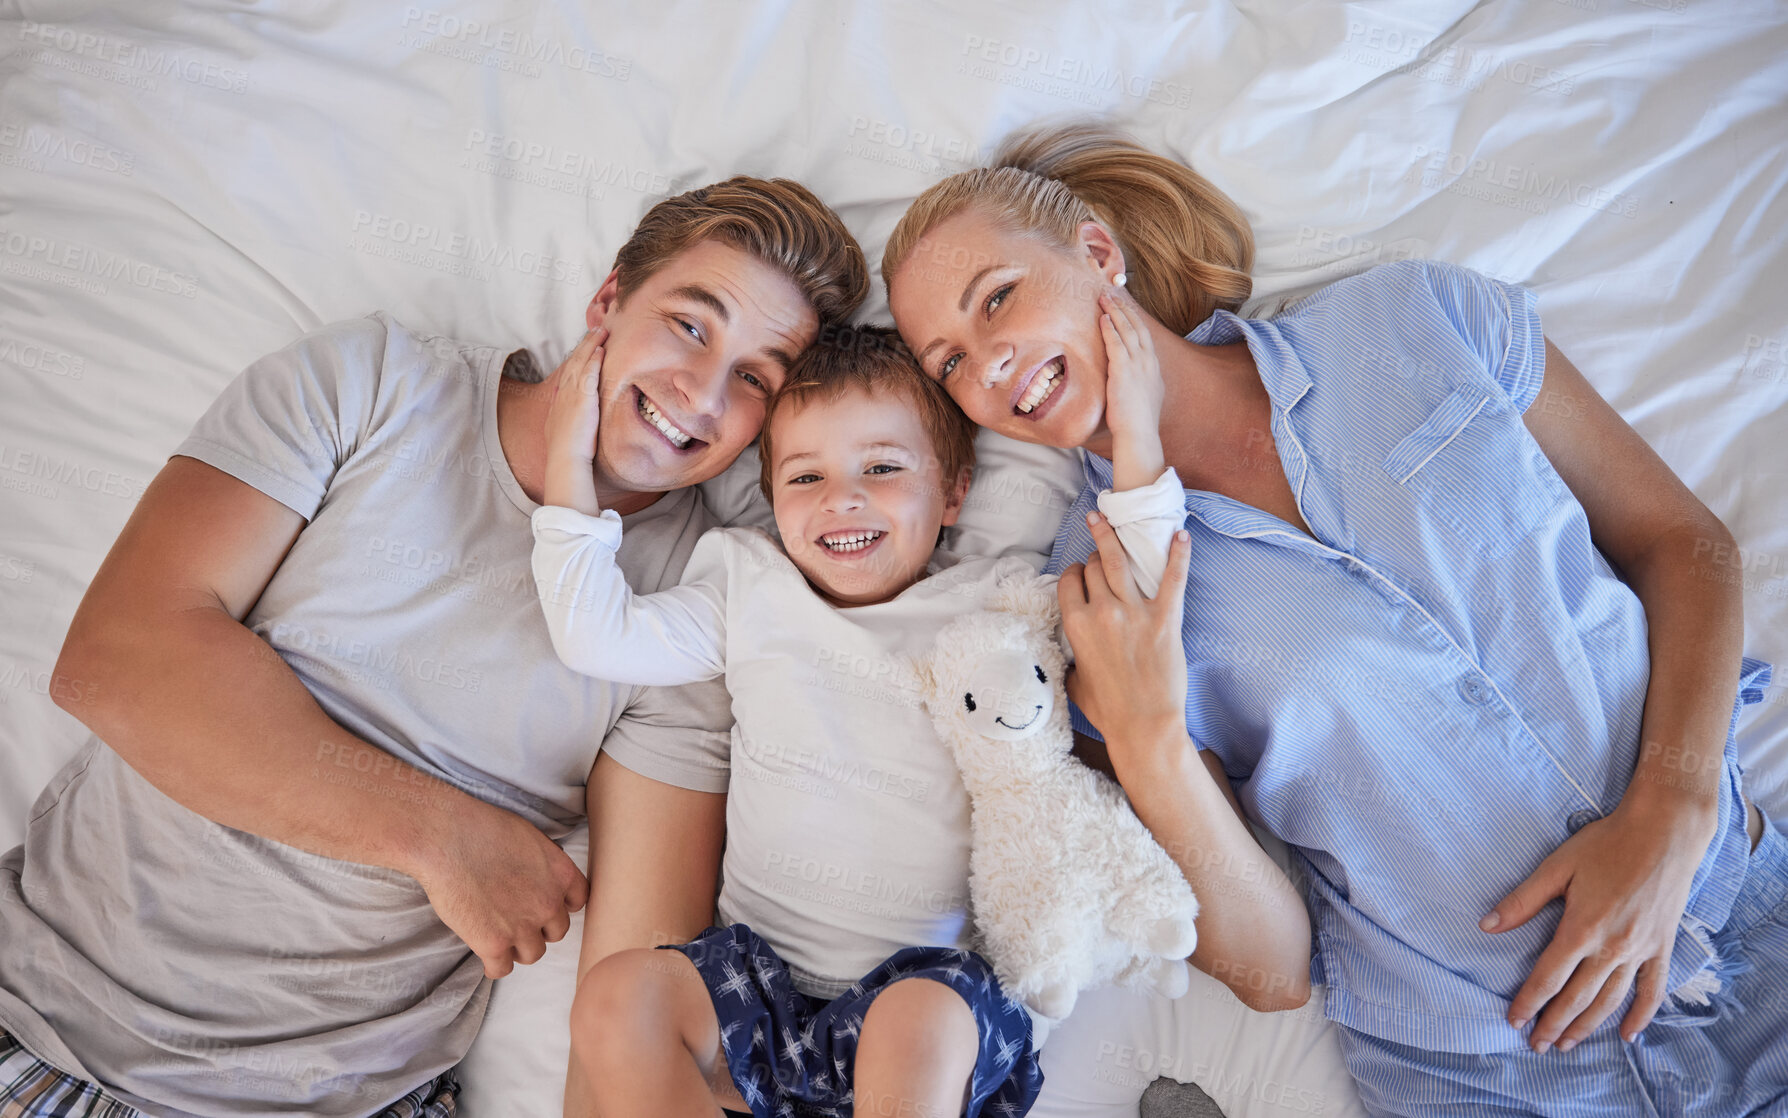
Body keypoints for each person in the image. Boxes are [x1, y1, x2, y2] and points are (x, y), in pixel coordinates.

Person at [880, 121, 1783, 1116]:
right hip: (1490, 1066)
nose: (987, 366)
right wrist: (1148, 743)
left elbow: (1683, 542)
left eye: (996, 299)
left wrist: (1671, 808)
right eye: (948, 362)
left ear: (1098, 253)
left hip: (1739, 903)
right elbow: (1271, 969)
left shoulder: (1416, 319)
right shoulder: (1094, 603)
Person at [0, 177, 868, 1117]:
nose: (700, 393)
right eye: (690, 326)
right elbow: (117, 661)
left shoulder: (691, 608)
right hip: (41, 1026)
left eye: (754, 377)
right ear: (609, 301)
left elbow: (630, 1001)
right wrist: (439, 838)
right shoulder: (374, 383)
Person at [529, 324, 1083, 1118]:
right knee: (617, 997)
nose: (841, 499)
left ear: (954, 490)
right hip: (760, 999)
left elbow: (1123, 601)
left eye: (883, 468)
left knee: (913, 1020)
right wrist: (568, 457)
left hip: (936, 992)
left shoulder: (996, 601)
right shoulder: (747, 582)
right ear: (772, 499)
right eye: (805, 477)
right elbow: (593, 633)